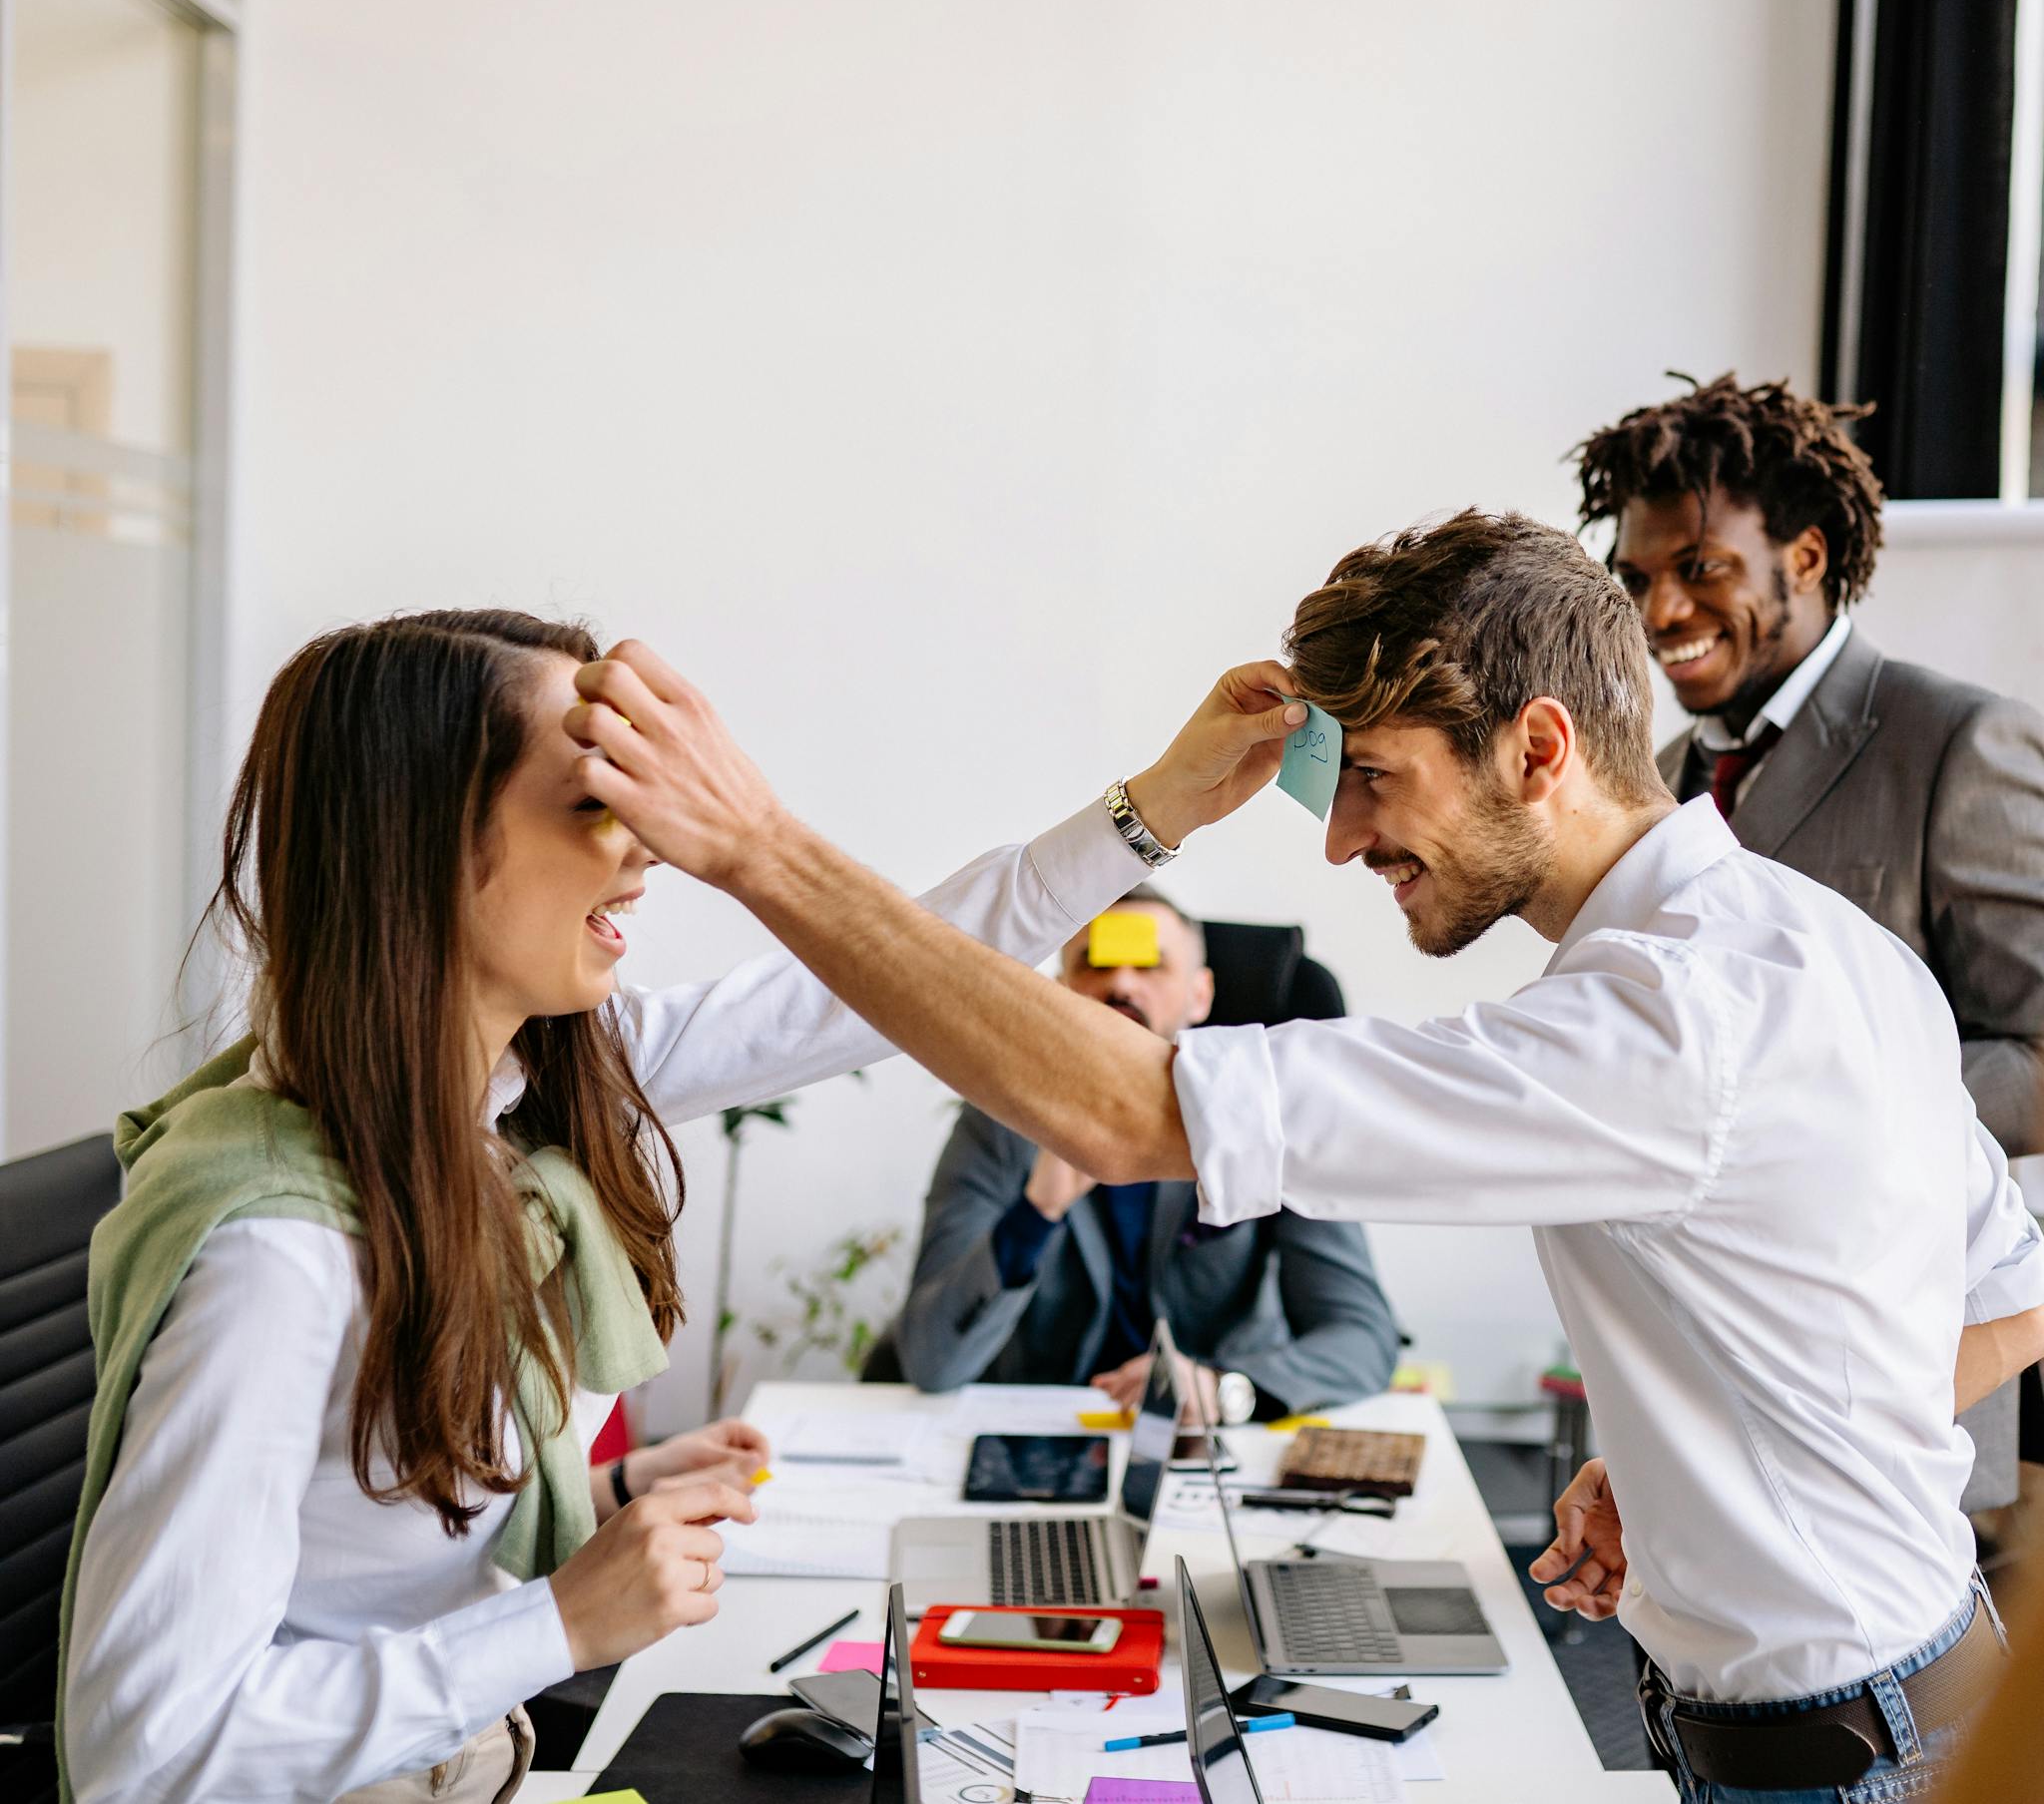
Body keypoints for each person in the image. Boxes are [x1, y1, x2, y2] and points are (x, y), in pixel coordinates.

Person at [566, 517, 2044, 1800]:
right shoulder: (1820, 943)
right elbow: (2011, 1288)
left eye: (1372, 777)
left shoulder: (1660, 1023)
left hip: (1843, 1754)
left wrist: (761, 844)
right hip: (1886, 1699)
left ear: (1538, 748)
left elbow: (1130, 1113)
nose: (1339, 841)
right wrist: (1708, 1457)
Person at [59, 607, 1219, 1802]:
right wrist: (562, 1617)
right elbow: (142, 1752)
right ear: (422, 843)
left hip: (479, 1754)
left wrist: (1156, 806)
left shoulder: (516, 1091)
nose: (646, 853)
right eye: (592, 803)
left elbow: (869, 979)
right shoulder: (281, 1252)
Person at [1578, 371, 2044, 1513]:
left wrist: (1810, 1103)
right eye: (1636, 577)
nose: (1660, 612)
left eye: (1700, 567)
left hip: (1904, 1407)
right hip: (1694, 1404)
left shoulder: (1956, 742)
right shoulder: (1663, 781)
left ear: (1805, 554)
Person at [889, 884, 1399, 1417]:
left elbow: (1362, 1340)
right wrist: (1037, 1211)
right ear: (1060, 995)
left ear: (1200, 995)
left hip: (1208, 1435)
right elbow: (931, 1361)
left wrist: (1225, 1388)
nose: (1121, 984)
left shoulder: (1267, 1122)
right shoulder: (999, 1123)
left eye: (1150, 966)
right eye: (1095, 964)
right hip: (1052, 1428)